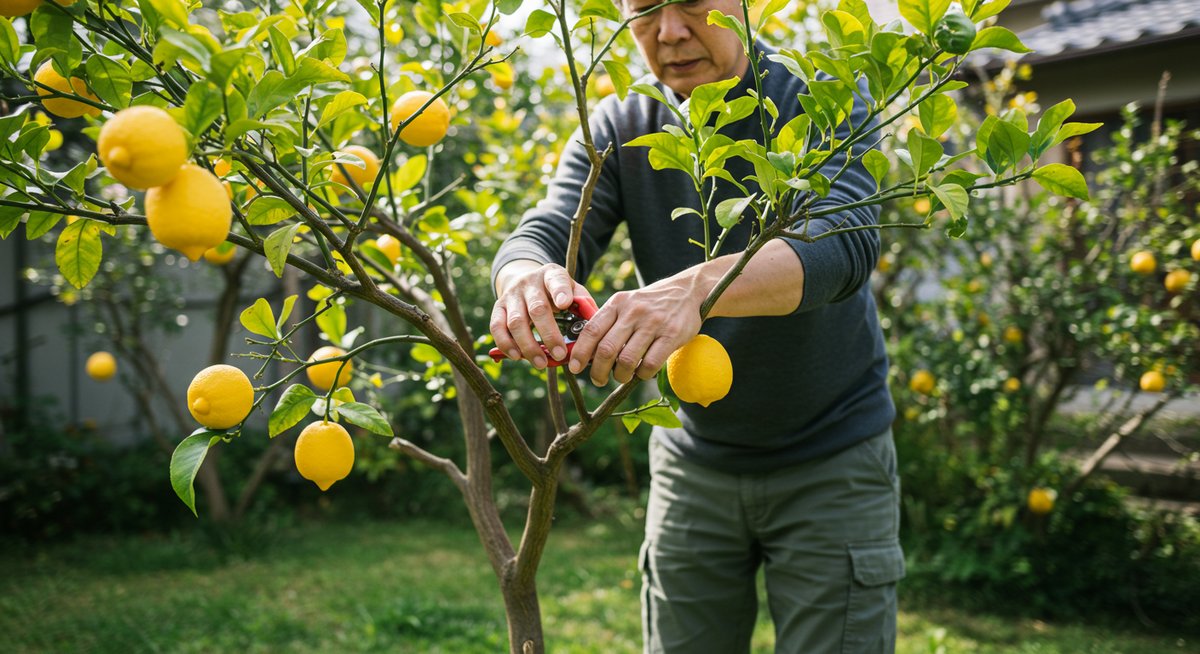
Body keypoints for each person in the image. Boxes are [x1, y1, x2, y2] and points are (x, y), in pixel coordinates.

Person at [489, 0, 902, 651]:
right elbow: (546, 228)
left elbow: (844, 243)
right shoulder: (623, 126)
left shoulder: (814, 100)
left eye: (691, 3)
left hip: (831, 455)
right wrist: (521, 280)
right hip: (693, 461)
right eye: (645, 9)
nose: (670, 30)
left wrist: (695, 289)